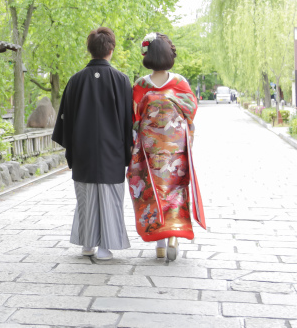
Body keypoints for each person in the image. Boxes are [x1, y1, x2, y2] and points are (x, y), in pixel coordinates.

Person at [52, 27, 133, 261]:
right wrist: (127, 150)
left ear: (90, 50)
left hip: (83, 151)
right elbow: (128, 121)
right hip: (113, 151)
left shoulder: (75, 81)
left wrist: (72, 150)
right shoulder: (121, 80)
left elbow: (64, 120)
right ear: (111, 49)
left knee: (85, 198)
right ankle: (106, 248)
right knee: (110, 199)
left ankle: (87, 244)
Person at [127, 32, 205, 262]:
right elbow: (191, 111)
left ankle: (160, 245)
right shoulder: (180, 83)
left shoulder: (141, 85)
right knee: (176, 192)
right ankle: (174, 237)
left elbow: (135, 117)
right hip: (175, 148)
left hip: (150, 150)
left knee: (152, 191)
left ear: (147, 56)